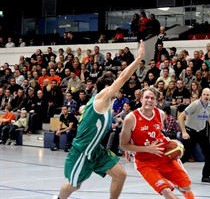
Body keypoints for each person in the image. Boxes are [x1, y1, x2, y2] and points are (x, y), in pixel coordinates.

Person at [52, 40, 145, 199]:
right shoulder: (101, 98)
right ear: (107, 86)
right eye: (113, 85)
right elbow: (122, 78)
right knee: (74, 185)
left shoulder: (105, 103)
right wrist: (138, 59)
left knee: (120, 175)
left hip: (96, 150)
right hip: (82, 151)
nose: (117, 88)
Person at [120, 87, 195, 199]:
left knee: (186, 187)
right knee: (166, 192)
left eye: (152, 98)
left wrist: (173, 145)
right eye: (146, 97)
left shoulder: (160, 114)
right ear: (141, 99)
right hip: (145, 162)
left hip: (164, 156)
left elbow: (158, 134)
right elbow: (123, 145)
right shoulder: (131, 118)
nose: (149, 100)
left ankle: (176, 184)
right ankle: (166, 184)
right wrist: (148, 148)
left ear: (156, 101)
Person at [178, 88, 210, 183]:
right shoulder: (195, 104)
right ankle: (170, 171)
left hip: (201, 131)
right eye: (204, 94)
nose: (206, 96)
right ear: (201, 95)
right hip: (190, 131)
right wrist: (184, 132)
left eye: (208, 95)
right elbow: (181, 116)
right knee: (186, 155)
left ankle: (206, 176)